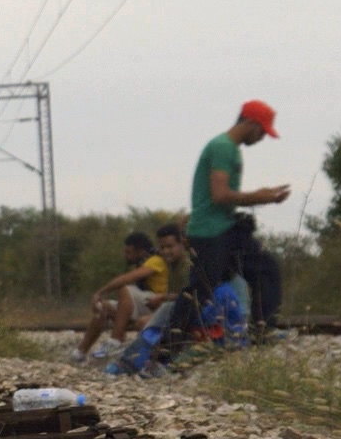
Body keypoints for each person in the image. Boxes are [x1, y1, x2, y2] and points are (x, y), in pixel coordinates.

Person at [169, 101, 290, 339]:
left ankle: (262, 331)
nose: (262, 138)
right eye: (263, 132)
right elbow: (220, 195)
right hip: (210, 233)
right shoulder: (223, 147)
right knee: (199, 292)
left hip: (225, 229)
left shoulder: (229, 148)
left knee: (265, 270)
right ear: (251, 124)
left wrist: (263, 194)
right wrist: (261, 197)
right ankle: (164, 349)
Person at [73, 232, 170, 362]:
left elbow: (128, 278)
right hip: (144, 303)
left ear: (140, 251)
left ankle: (115, 340)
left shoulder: (155, 261)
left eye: (129, 252)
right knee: (104, 307)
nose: (126, 256)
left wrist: (100, 292)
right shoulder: (144, 261)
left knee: (125, 289)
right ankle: (80, 352)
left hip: (156, 303)